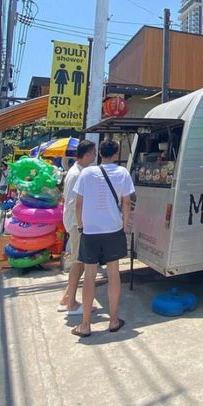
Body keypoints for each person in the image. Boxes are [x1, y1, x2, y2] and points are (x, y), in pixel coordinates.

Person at [71, 140, 134, 337]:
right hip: (113, 229)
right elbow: (126, 201)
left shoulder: (87, 173)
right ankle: (113, 320)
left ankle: (85, 324)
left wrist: (81, 224)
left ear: (100, 154)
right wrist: (125, 223)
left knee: (89, 275)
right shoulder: (122, 173)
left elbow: (79, 203)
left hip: (90, 231)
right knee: (114, 273)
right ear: (116, 154)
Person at [57, 139, 97, 315]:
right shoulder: (76, 174)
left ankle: (66, 298)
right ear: (87, 154)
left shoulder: (79, 172)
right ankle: (71, 304)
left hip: (75, 222)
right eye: (93, 153)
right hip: (76, 223)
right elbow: (73, 203)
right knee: (78, 263)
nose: (95, 156)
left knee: (79, 262)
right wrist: (82, 224)